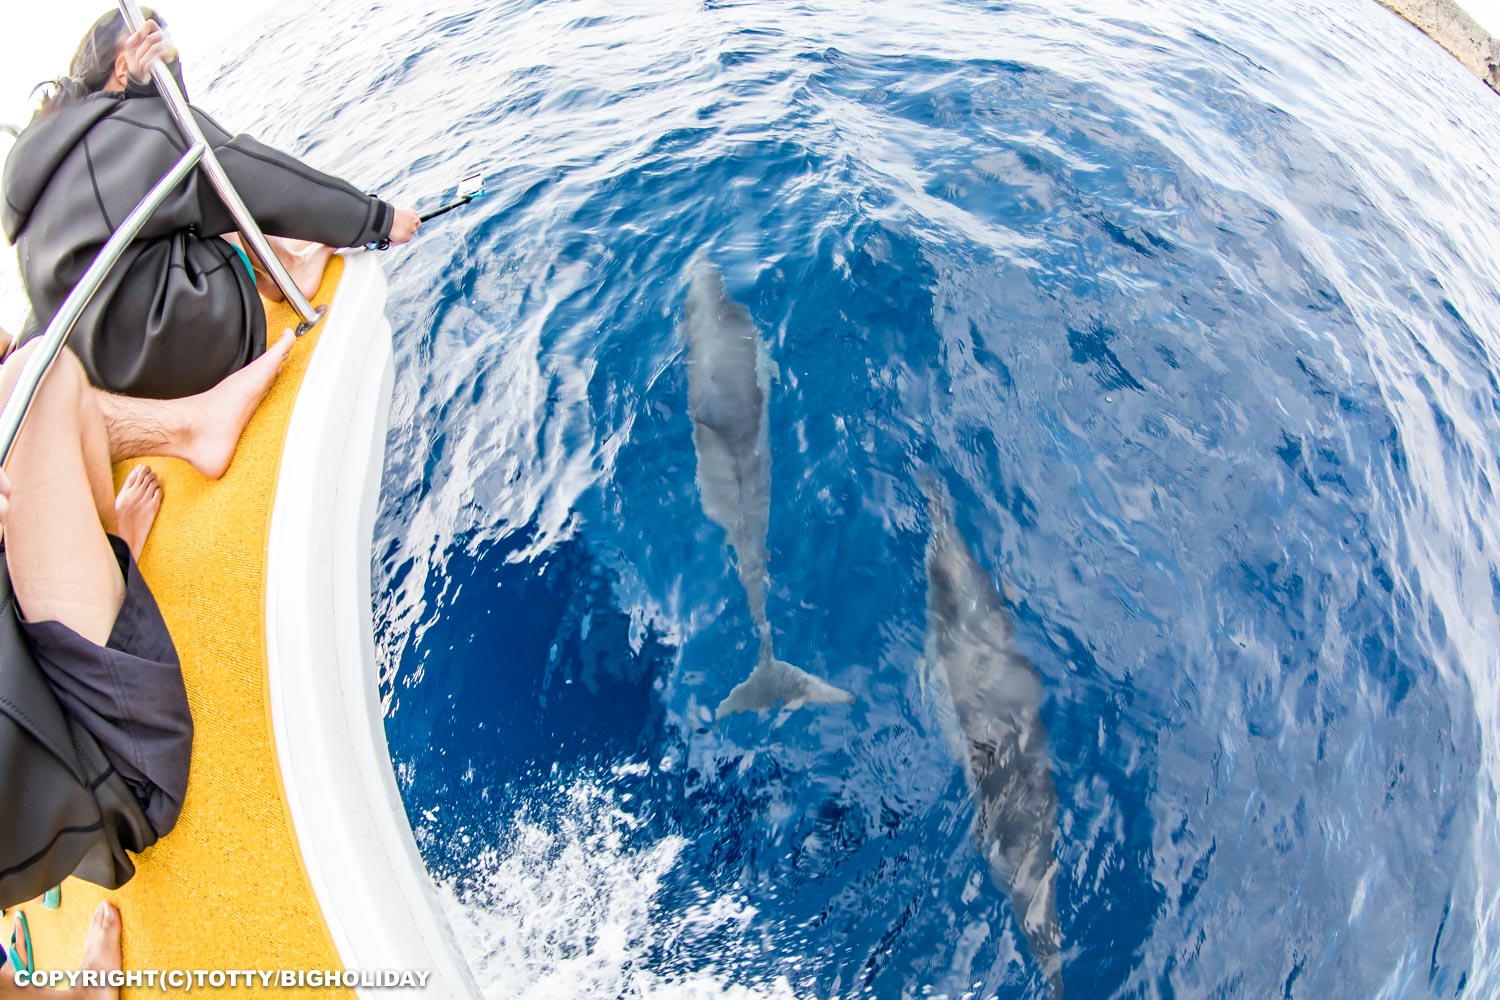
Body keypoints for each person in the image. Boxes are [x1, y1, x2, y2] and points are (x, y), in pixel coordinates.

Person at [0, 324, 295, 998]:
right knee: (34, 382)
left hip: (33, 665)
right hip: (108, 765)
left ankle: (110, 551)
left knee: (34, 374)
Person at [0, 10, 421, 399]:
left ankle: (285, 265)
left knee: (183, 191)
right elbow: (237, 169)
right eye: (152, 34)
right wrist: (378, 219)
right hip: (179, 351)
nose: (163, 42)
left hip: (108, 375)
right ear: (125, 64)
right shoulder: (127, 132)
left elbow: (158, 154)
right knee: (210, 184)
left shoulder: (56, 152)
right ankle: (290, 272)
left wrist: (154, 89)